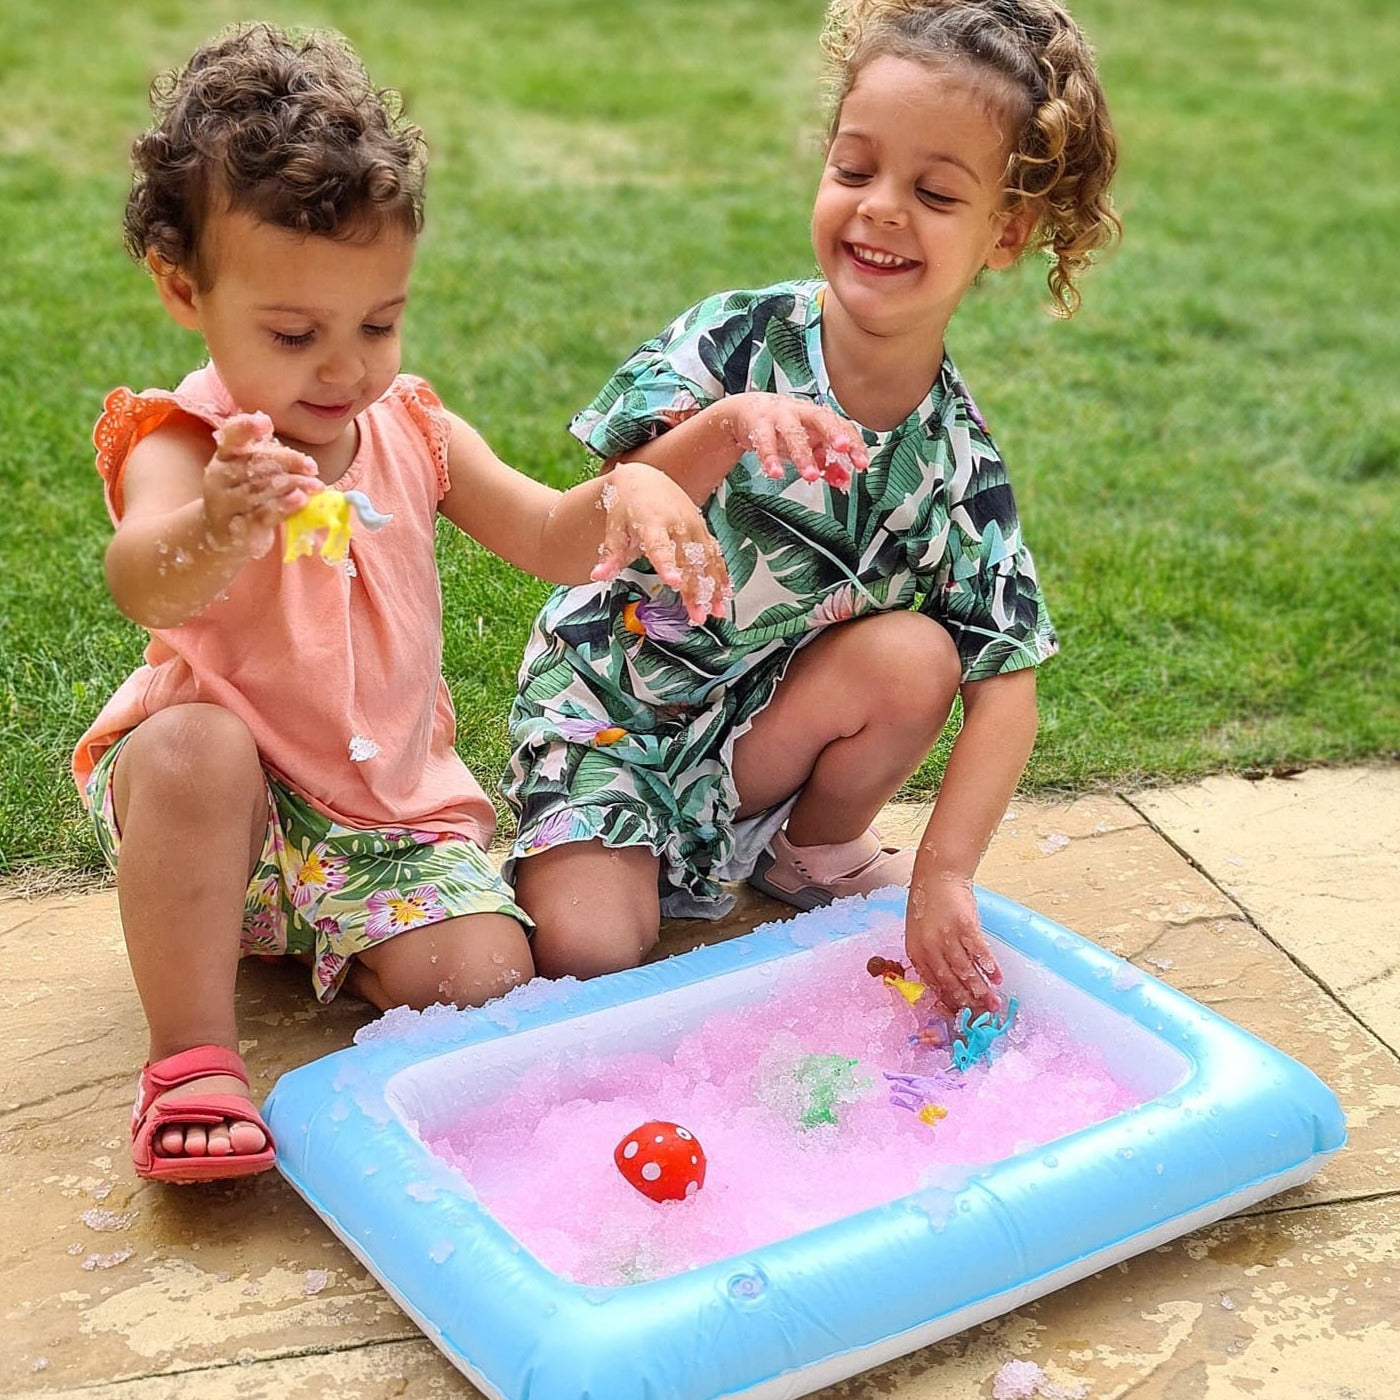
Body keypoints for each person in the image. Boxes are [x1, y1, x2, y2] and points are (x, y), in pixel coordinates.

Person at [72, 23, 728, 1184]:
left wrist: (632, 484)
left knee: (489, 984)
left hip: (385, 823)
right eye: (293, 334)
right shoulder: (185, 442)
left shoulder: (411, 426)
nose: (345, 370)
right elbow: (142, 575)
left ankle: (351, 940)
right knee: (189, 745)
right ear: (186, 290)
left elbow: (548, 537)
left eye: (378, 322)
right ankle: (191, 1053)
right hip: (226, 817)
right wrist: (220, 522)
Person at [503, 0, 1119, 1016]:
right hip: (609, 715)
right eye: (853, 170)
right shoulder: (735, 339)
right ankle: (591, 840)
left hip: (754, 745)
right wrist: (712, 435)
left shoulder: (954, 463)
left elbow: (1006, 688)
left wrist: (943, 873)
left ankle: (805, 851)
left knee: (919, 653)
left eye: (931, 190)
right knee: (591, 947)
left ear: (1003, 232)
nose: (879, 207)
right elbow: (592, 515)